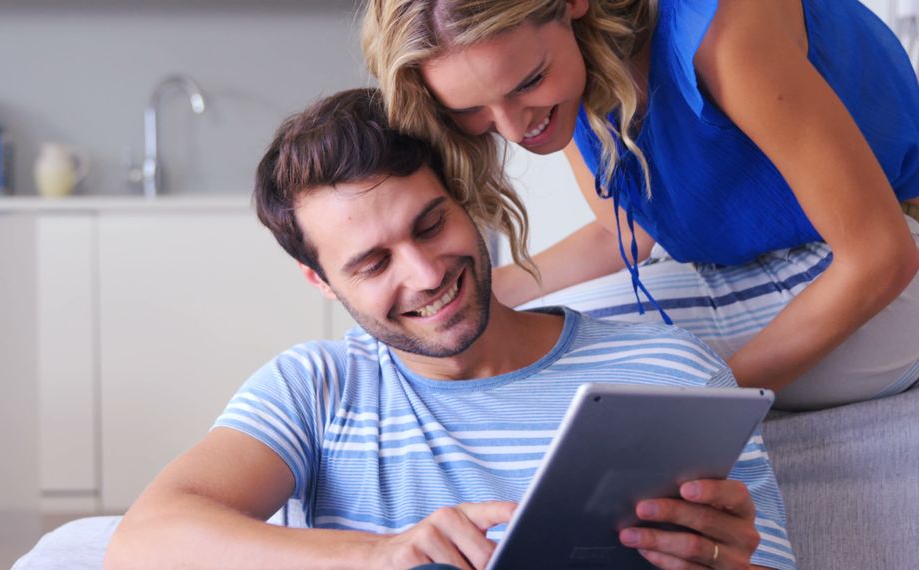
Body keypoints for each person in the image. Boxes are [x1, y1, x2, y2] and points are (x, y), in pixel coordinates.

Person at [104, 88, 795, 570]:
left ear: (465, 202)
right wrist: (382, 555)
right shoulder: (316, 388)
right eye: (373, 262)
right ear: (322, 282)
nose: (426, 274)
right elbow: (144, 543)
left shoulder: (671, 372)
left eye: (431, 224)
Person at [361, 0, 919, 410]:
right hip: (777, 267)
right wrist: (471, 298)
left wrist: (703, 408)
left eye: (527, 82)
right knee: (467, 343)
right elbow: (620, 232)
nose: (514, 128)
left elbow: (879, 258)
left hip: (894, 268)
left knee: (544, 372)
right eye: (471, 110)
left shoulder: (722, 33)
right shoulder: (572, 80)